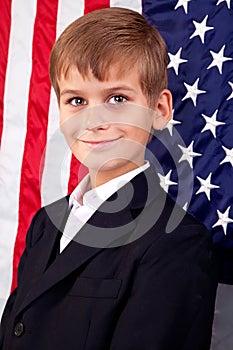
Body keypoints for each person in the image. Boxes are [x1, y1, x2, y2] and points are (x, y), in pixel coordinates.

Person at [0, 7, 219, 350]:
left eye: (117, 98)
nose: (94, 119)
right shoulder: (46, 223)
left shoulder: (175, 242)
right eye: (76, 100)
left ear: (159, 110)